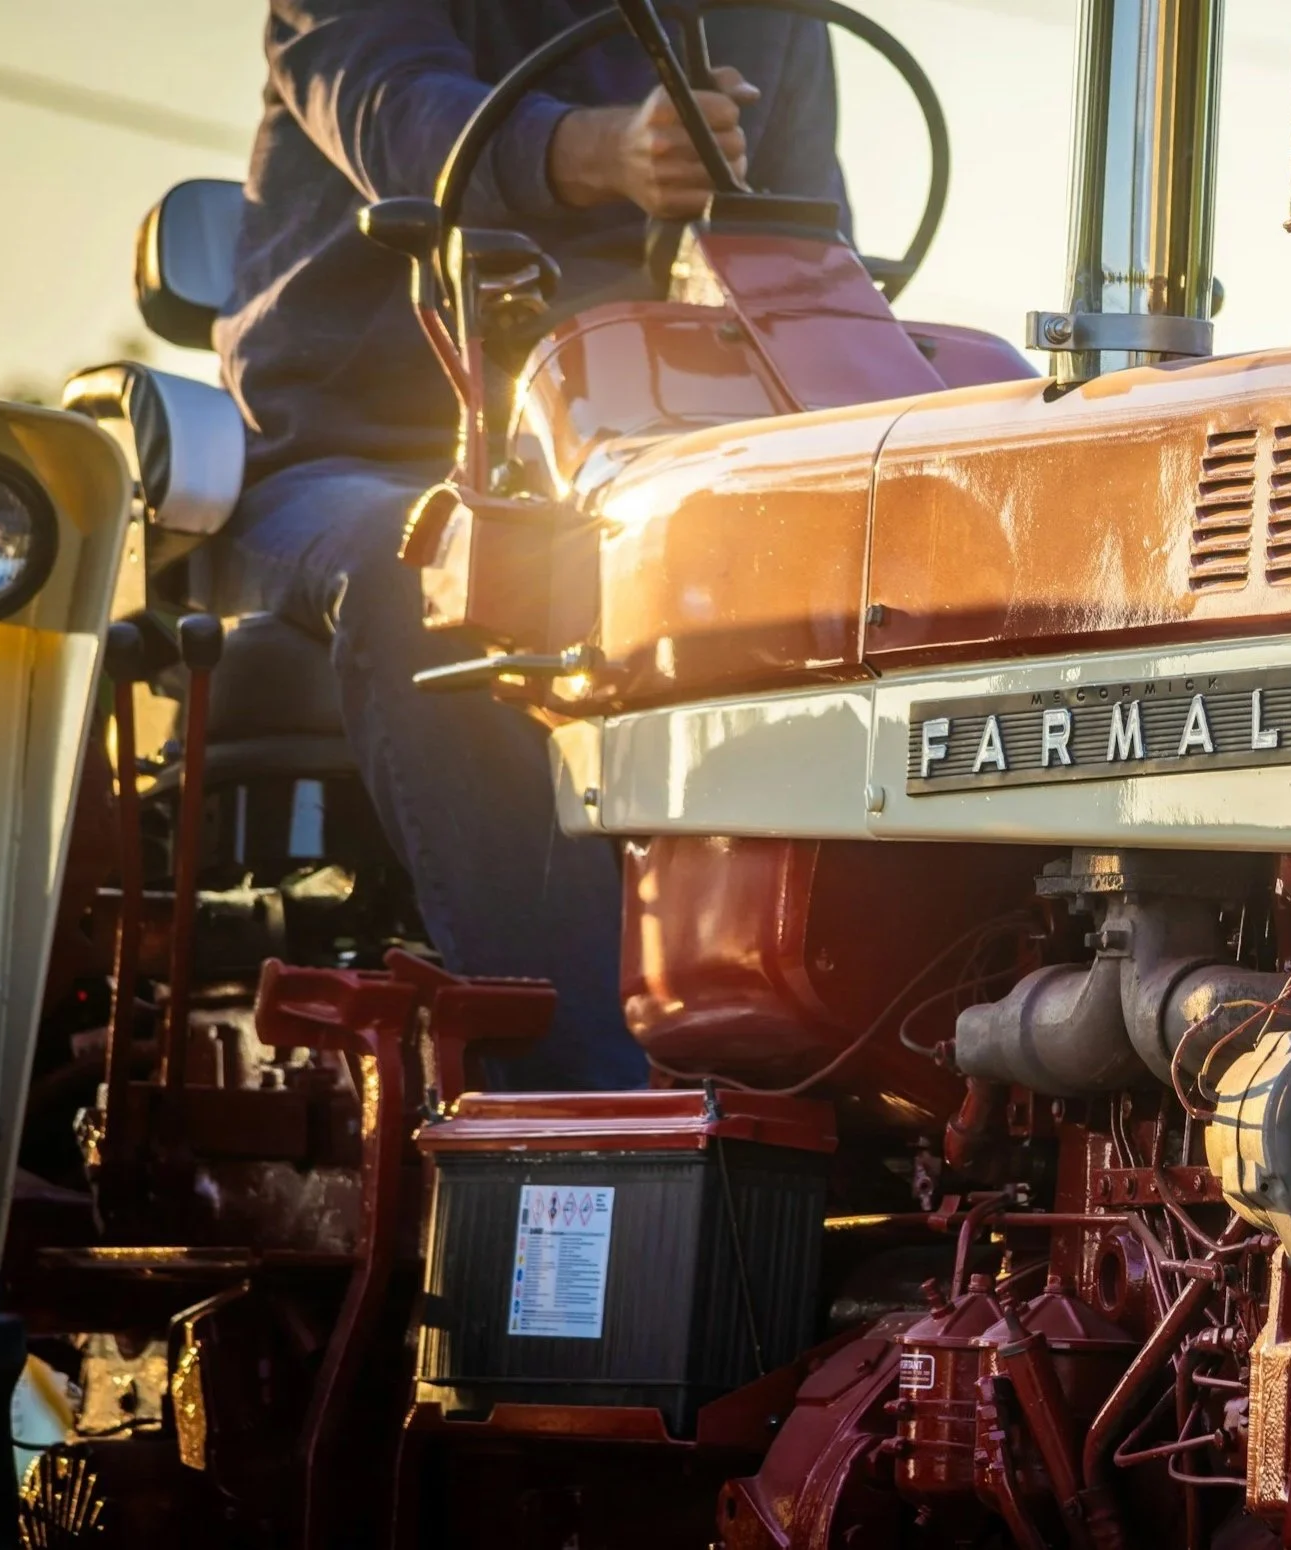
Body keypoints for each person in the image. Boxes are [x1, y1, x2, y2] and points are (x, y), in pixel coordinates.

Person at [215, 2, 850, 1088]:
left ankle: (837, 1064)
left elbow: (802, 258)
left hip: (632, 466)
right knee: (446, 566)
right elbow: (404, 123)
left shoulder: (766, 19)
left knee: (852, 577)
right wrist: (605, 148)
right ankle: (583, 1100)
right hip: (354, 462)